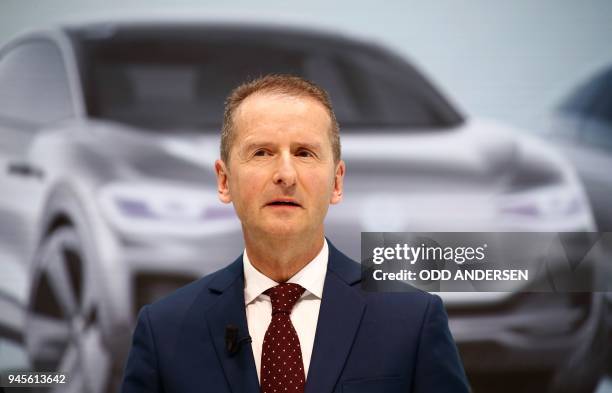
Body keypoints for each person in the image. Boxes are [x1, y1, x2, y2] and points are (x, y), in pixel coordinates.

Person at [120, 75, 469, 393]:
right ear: (224, 181)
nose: (285, 174)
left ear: (336, 181)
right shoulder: (164, 330)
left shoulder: (412, 320)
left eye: (304, 153)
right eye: (262, 152)